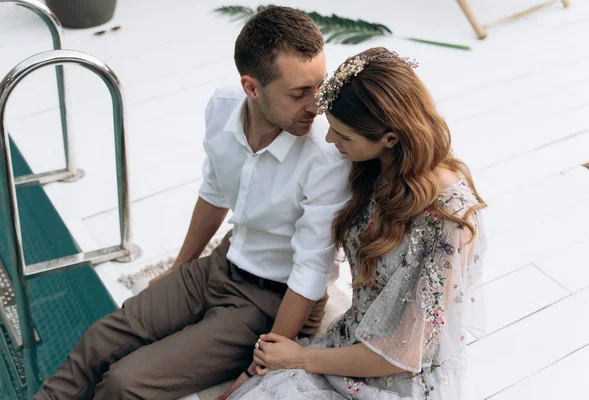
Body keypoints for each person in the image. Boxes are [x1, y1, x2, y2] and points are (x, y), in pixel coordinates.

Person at [34, 7, 351, 400]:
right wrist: (181, 266)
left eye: (320, 85)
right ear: (252, 88)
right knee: (98, 341)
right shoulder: (222, 108)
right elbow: (214, 191)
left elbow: (310, 272)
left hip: (274, 300)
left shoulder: (326, 154)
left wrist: (264, 363)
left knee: (125, 384)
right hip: (221, 264)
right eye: (300, 92)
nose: (317, 104)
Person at [227, 47, 487, 400]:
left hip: (399, 377)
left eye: (344, 136)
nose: (331, 142)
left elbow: (407, 351)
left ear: (390, 138)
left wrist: (302, 358)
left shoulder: (450, 220)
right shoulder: (373, 170)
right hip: (353, 339)